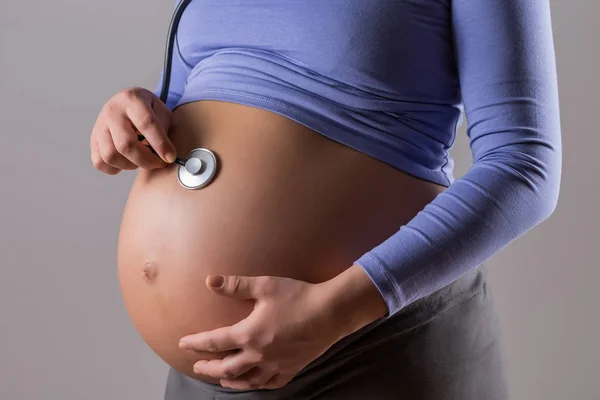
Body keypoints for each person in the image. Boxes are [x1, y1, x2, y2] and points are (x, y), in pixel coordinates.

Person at [90, 0, 561, 399]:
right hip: (204, 377)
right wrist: (133, 113)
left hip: (375, 347)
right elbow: (188, 104)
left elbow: (524, 165)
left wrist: (332, 313)